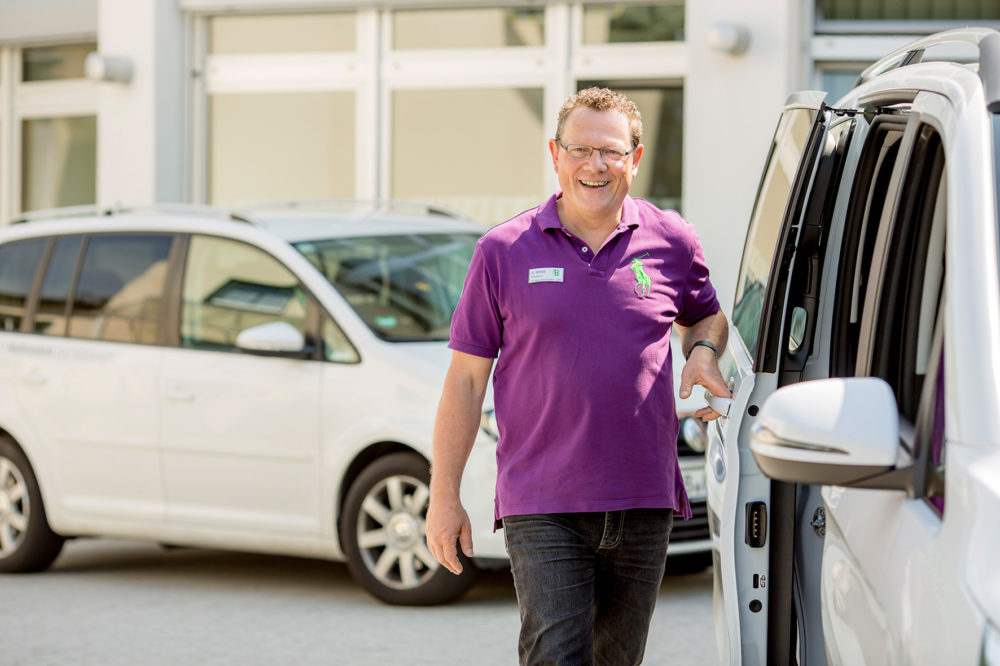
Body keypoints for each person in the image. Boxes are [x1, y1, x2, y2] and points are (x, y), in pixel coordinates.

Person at [426, 87, 730, 665]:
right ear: (556, 154)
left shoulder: (672, 241)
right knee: (556, 657)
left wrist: (704, 353)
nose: (596, 165)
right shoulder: (502, 250)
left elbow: (705, 316)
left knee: (620, 660)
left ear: (635, 159)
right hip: (543, 503)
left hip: (644, 499)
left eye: (612, 152)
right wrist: (444, 497)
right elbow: (465, 380)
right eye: (581, 149)